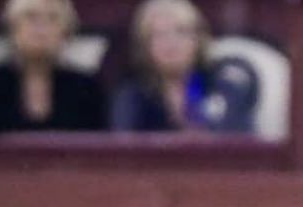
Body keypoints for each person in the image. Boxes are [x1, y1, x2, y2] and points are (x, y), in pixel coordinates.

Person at [110, 0, 257, 133]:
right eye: (159, 34)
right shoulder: (133, 96)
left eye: (181, 32)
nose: (171, 42)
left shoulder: (221, 81)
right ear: (145, 45)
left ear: (198, 38)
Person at [0, 0, 106, 134]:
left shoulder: (86, 88)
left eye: (52, 19)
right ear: (12, 28)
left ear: (66, 33)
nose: (41, 29)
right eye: (31, 18)